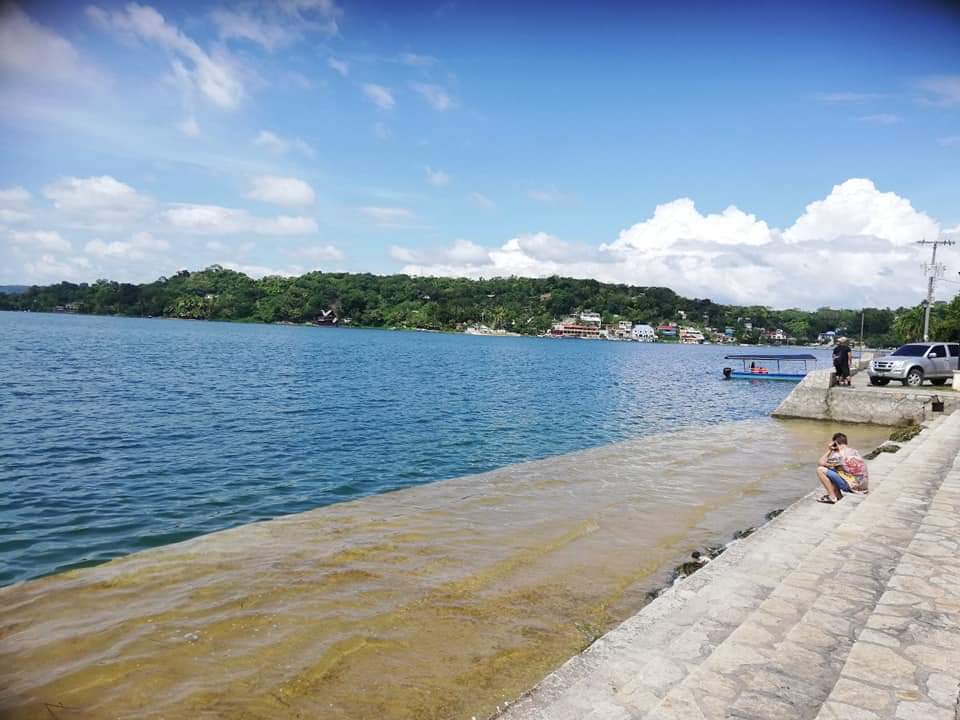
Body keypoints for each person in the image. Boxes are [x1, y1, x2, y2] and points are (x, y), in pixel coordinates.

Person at [816, 432, 869, 504]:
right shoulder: (854, 451)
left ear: (835, 443)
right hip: (863, 487)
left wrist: (829, 450)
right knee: (833, 470)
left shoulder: (838, 455)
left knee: (820, 470)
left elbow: (820, 463)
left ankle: (832, 497)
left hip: (854, 487)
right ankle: (838, 496)